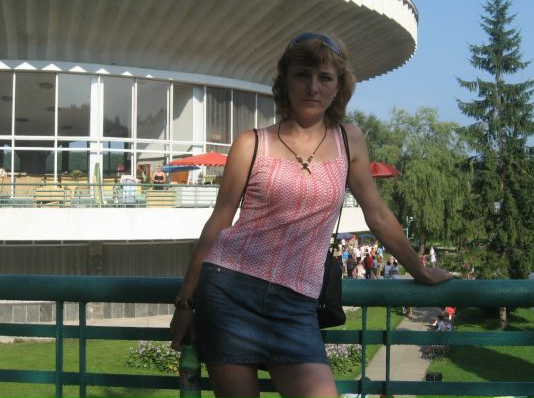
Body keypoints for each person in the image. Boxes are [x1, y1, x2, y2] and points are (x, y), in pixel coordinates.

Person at [169, 32, 452, 398]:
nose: (313, 87)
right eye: (302, 75)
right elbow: (218, 224)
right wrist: (186, 303)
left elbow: (378, 215)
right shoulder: (251, 144)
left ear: (339, 88)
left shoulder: (349, 140)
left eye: (325, 77)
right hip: (228, 295)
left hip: (296, 307)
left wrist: (420, 270)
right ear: (285, 81)